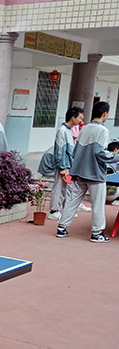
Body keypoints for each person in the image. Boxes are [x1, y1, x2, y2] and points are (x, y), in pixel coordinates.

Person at [55, 101, 119, 243]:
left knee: (72, 201)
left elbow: (77, 150)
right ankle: (97, 233)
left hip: (79, 172)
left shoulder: (84, 128)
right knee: (97, 204)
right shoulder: (103, 130)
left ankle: (61, 227)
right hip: (95, 173)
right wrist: (115, 157)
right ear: (105, 114)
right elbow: (100, 152)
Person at [49, 106, 85, 220]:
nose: (81, 120)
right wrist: (62, 167)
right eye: (79, 118)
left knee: (67, 189)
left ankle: (64, 209)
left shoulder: (69, 130)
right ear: (73, 117)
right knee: (59, 188)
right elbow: (60, 150)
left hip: (68, 164)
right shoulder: (62, 131)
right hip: (63, 165)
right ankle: (54, 210)